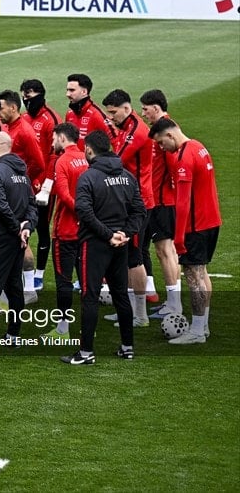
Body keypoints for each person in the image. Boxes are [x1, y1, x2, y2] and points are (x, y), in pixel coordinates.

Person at [62, 131, 146, 365]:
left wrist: (109, 235)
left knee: (89, 296)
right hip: (121, 246)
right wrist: (125, 234)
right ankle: (128, 347)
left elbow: (84, 212)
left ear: (89, 150)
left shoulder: (88, 178)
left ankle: (86, 352)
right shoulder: (127, 177)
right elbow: (140, 210)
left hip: (95, 245)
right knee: (120, 295)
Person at [149, 118, 221, 345]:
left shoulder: (183, 158)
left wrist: (179, 238)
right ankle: (203, 325)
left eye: (161, 143)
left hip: (196, 226)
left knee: (194, 276)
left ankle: (197, 331)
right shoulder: (199, 147)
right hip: (211, 221)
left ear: (170, 135)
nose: (162, 148)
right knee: (201, 273)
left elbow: (182, 203)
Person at [102, 89, 156, 327]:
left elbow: (116, 160)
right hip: (127, 199)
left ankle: (141, 314)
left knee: (134, 258)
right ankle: (128, 307)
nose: (111, 117)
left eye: (113, 113)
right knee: (125, 256)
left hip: (137, 203)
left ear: (126, 108)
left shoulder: (137, 131)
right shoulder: (125, 127)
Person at [0, 132, 36, 343]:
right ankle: (13, 333)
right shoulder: (23, 173)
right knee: (14, 287)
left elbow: (0, 205)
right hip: (18, 239)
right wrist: (26, 228)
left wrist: (16, 228)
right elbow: (32, 204)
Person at [0, 90, 45, 302]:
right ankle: (20, 288)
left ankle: (29, 289)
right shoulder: (10, 127)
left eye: (1, 108)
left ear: (13, 107)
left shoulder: (24, 131)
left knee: (21, 238)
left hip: (17, 192)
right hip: (10, 189)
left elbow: (39, 163)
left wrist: (23, 181)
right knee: (17, 239)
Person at [139, 89, 182, 318]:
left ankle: (174, 304)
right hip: (160, 200)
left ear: (156, 108)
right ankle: (173, 301)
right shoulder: (161, 129)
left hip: (162, 202)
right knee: (166, 251)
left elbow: (174, 165)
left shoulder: (166, 130)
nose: (143, 113)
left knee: (165, 251)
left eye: (145, 109)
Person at [44, 123, 88, 340]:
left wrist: (80, 212)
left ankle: (62, 329)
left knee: (64, 281)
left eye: (53, 139)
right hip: (86, 232)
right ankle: (88, 327)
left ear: (62, 138)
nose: (52, 143)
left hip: (65, 231)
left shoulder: (63, 161)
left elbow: (62, 193)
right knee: (87, 280)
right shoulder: (86, 158)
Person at [19, 79, 61, 290]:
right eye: (24, 96)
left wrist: (45, 184)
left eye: (31, 96)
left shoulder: (50, 119)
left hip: (44, 184)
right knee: (22, 226)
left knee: (43, 227)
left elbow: (55, 154)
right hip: (25, 181)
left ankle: (39, 274)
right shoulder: (24, 118)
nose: (27, 100)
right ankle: (24, 271)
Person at [64, 73, 111, 149]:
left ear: (84, 92)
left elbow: (115, 138)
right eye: (67, 90)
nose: (67, 94)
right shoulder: (70, 114)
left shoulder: (97, 115)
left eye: (72, 90)